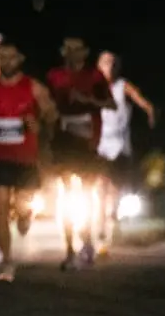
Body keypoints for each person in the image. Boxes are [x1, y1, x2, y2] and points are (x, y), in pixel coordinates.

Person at [0, 40, 58, 281]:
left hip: (25, 159)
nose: (6, 61)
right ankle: (6, 261)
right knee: (0, 210)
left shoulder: (33, 87)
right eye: (2, 56)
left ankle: (25, 216)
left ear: (20, 59)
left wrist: (38, 123)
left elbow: (51, 113)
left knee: (22, 207)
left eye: (11, 57)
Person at [45, 36, 115, 269]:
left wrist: (88, 99)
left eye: (76, 50)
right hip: (62, 139)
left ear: (84, 53)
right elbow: (46, 103)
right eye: (68, 50)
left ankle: (86, 241)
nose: (72, 54)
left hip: (87, 142)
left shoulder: (95, 76)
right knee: (65, 193)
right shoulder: (54, 75)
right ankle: (68, 249)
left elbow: (111, 104)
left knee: (86, 193)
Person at [95, 50, 155, 251]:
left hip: (119, 145)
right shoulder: (93, 88)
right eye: (105, 63)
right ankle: (100, 224)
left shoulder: (122, 86)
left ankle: (112, 220)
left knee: (114, 188)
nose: (108, 67)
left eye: (112, 63)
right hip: (99, 145)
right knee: (100, 186)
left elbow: (140, 99)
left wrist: (149, 110)